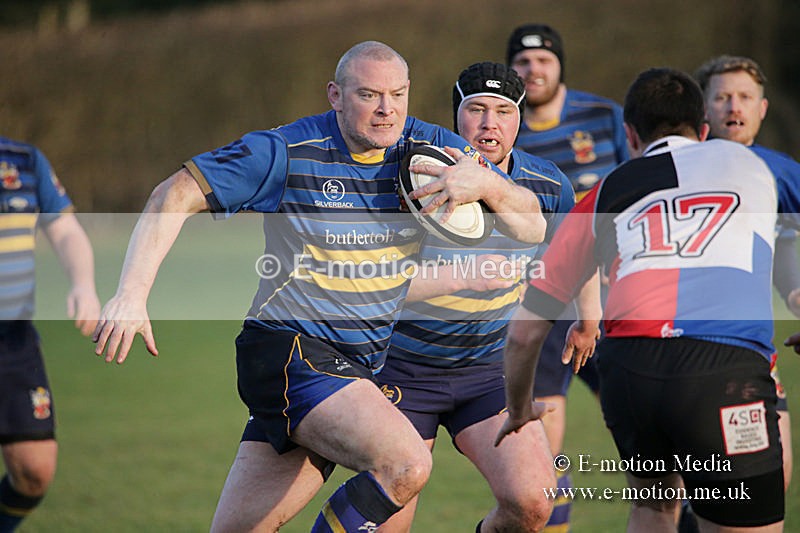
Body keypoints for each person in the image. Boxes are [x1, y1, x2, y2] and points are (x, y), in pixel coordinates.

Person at [92, 41, 545, 533]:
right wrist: (131, 294)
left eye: (397, 95)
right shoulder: (287, 150)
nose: (386, 109)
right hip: (291, 350)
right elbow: (175, 192)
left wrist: (486, 186)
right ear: (335, 95)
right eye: (369, 95)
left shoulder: (430, 150)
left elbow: (532, 227)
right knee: (406, 464)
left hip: (356, 365)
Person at [497, 67, 800, 532]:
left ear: (629, 134)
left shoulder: (604, 193)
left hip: (630, 370)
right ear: (703, 129)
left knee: (654, 509)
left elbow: (523, 333)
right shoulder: (757, 165)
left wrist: (519, 411)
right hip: (724, 365)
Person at [377, 61, 598, 533]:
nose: (489, 123)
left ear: (521, 118)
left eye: (503, 111)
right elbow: (372, 283)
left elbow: (582, 243)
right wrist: (460, 276)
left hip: (488, 373)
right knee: (390, 520)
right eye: (475, 109)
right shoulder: (414, 176)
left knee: (534, 503)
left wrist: (589, 317)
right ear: (455, 116)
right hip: (404, 368)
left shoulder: (545, 181)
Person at [505, 22, 629, 530]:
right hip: (547, 306)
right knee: (543, 444)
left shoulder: (605, 118)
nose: (533, 70)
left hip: (616, 302)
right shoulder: (501, 133)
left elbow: (639, 189)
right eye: (522, 62)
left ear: (559, 66)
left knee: (647, 429)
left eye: (543, 61)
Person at [688, 53, 799, 532]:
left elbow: (789, 258)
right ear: (703, 109)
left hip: (751, 356)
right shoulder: (678, 168)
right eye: (722, 96)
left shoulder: (783, 174)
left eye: (745, 97)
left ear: (763, 108)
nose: (734, 106)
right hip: (676, 352)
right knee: (672, 491)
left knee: (775, 476)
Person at [0, 137, 100, 532]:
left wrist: (83, 285)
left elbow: (66, 231)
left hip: (13, 339)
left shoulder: (23, 160)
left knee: (34, 470)